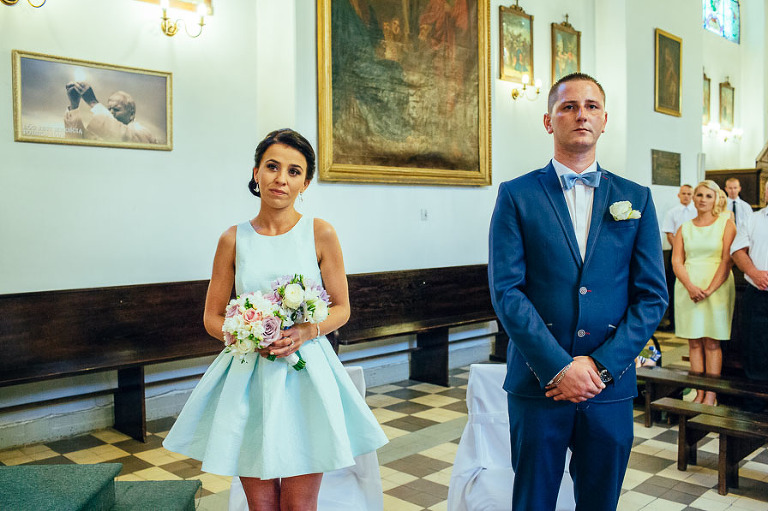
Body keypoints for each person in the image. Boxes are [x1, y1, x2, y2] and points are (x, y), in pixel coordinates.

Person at [162, 129, 388, 510]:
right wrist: (245, 333)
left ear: (305, 183)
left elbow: (342, 308)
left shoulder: (320, 233)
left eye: (294, 171)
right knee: (262, 506)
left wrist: (306, 331)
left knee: (299, 505)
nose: (281, 178)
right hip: (249, 379)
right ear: (256, 173)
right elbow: (212, 317)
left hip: (305, 378)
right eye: (272, 167)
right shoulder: (232, 240)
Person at [488, 73, 668, 510]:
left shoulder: (636, 198)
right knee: (533, 501)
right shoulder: (517, 195)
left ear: (605, 120)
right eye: (568, 106)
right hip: (539, 383)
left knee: (600, 501)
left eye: (591, 106)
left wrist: (601, 366)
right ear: (548, 121)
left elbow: (652, 296)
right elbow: (507, 291)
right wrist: (558, 367)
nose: (581, 115)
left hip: (610, 386)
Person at [672, 180, 736, 406]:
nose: (703, 200)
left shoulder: (726, 224)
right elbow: (677, 261)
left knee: (712, 342)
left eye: (709, 196)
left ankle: (711, 394)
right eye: (699, 195)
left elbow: (727, 260)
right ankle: (698, 392)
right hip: (688, 287)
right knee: (694, 342)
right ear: (694, 198)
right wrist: (690, 286)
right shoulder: (684, 228)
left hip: (717, 287)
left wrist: (709, 290)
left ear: (716, 199)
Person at [731, 179, 768, 383]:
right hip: (758, 293)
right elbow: (738, 250)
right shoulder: (752, 219)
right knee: (756, 345)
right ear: (765, 194)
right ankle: (756, 394)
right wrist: (754, 272)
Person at [64, 81, 158, 144]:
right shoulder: (105, 132)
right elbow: (77, 142)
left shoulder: (142, 133)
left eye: (116, 109)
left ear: (131, 114)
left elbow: (123, 137)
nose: (111, 113)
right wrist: (74, 105)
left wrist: (92, 102)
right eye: (109, 109)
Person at [660, 184, 696, 330]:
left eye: (689, 194)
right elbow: (670, 234)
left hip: (694, 254)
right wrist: (680, 251)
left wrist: (690, 251)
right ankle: (674, 321)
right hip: (676, 253)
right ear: (679, 195)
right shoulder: (672, 212)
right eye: (684, 193)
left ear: (692, 196)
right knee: (674, 287)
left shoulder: (696, 211)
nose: (686, 196)